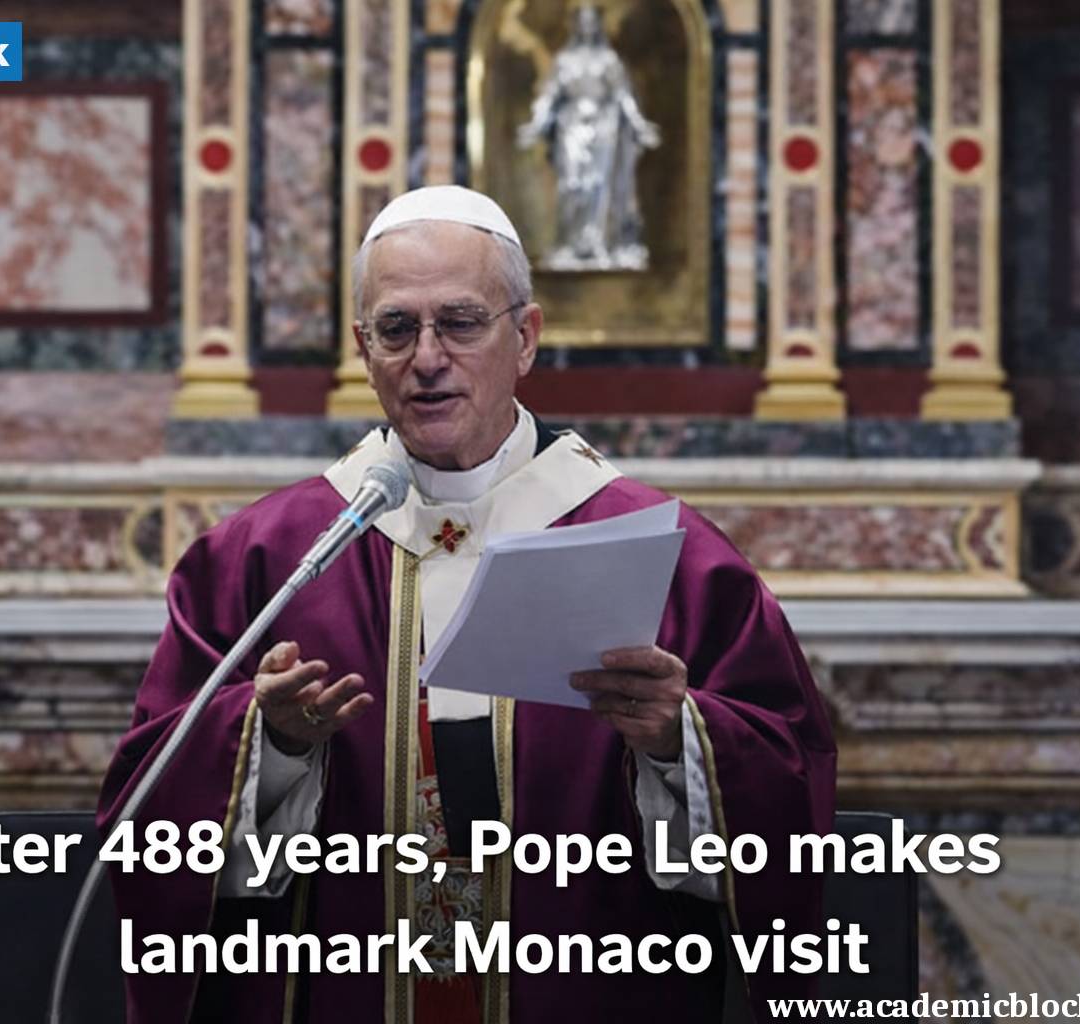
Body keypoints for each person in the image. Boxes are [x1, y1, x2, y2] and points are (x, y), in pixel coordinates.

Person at [98, 186, 836, 1023]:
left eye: (460, 322)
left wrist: (680, 739)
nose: (428, 357)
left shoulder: (665, 552)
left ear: (524, 338)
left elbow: (791, 778)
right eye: (397, 329)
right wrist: (271, 743)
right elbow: (146, 818)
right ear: (362, 349)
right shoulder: (267, 560)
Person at [516, 5, 662, 271]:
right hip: (570, 127)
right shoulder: (564, 61)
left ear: (597, 25)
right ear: (575, 25)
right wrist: (536, 126)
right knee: (571, 185)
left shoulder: (608, 60)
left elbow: (623, 97)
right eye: (581, 21)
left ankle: (597, 243)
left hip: (603, 127)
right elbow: (549, 97)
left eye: (590, 21)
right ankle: (571, 244)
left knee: (598, 186)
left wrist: (639, 125)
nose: (586, 26)